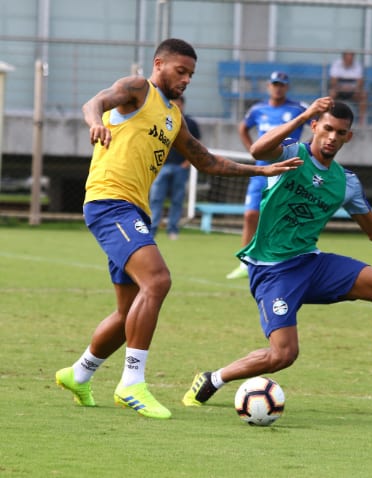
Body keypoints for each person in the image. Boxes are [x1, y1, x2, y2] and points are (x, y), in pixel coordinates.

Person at [54, 38, 303, 419]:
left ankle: (80, 372)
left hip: (134, 209)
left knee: (127, 312)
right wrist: (93, 125)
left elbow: (205, 159)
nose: (186, 79)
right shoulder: (139, 89)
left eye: (191, 74)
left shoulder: (173, 117)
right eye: (180, 71)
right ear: (159, 64)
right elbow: (95, 102)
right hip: (108, 202)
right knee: (158, 281)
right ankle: (132, 383)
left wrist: (262, 169)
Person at [182, 98, 372, 410]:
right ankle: (213, 379)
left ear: (349, 137)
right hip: (272, 269)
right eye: (327, 128)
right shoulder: (292, 153)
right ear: (315, 127)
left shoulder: (346, 183)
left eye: (340, 132)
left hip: (310, 262)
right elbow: (257, 151)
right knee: (283, 355)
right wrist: (302, 115)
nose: (332, 137)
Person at [226, 71, 309, 280]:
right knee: (250, 214)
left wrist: (305, 150)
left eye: (281, 84)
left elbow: (317, 125)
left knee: (284, 217)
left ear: (287, 87)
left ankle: (285, 262)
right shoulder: (258, 109)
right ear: (268, 86)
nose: (278, 87)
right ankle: (245, 264)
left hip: (288, 170)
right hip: (261, 169)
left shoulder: (297, 109)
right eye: (274, 84)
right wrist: (251, 149)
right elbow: (243, 128)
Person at [149, 95, 200, 239]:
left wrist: (187, 163)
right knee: (156, 198)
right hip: (161, 167)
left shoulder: (190, 123)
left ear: (183, 105)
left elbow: (197, 145)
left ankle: (173, 230)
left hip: (180, 167)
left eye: (179, 104)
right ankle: (152, 230)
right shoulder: (161, 120)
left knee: (177, 199)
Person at [329, 51, 368, 125]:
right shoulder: (336, 64)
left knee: (363, 96)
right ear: (343, 58)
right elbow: (333, 82)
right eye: (348, 59)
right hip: (339, 90)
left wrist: (352, 88)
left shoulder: (357, 65)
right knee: (331, 95)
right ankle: (330, 118)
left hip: (353, 91)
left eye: (351, 59)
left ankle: (361, 122)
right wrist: (341, 87)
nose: (349, 61)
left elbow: (360, 82)